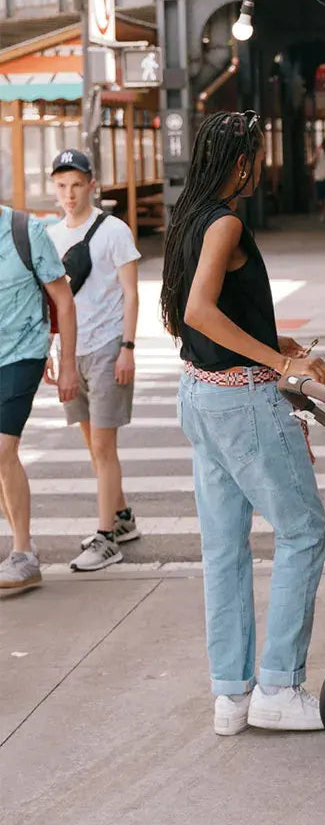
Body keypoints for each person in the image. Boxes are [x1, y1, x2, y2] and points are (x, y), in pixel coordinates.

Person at [161, 110, 325, 735]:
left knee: (224, 549)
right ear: (241, 163)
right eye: (256, 156)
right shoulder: (228, 221)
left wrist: (278, 342)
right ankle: (279, 688)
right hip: (241, 403)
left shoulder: (191, 217)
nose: (260, 166)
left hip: (201, 399)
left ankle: (231, 696)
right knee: (303, 533)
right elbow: (200, 312)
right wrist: (281, 364)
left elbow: (197, 320)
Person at [45, 150, 142, 572]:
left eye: (77, 185)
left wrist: (128, 347)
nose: (70, 194)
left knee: (103, 447)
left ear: (91, 184)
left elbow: (132, 293)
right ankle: (122, 520)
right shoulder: (49, 235)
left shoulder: (113, 230)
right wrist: (54, 351)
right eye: (62, 186)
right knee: (92, 445)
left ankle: (106, 539)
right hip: (72, 352)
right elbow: (51, 300)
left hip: (107, 349)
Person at [0, 207, 79, 590]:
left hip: (22, 354)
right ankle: (23, 549)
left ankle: (23, 554)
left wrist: (67, 365)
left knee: (2, 449)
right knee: (2, 458)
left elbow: (63, 300)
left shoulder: (24, 231)